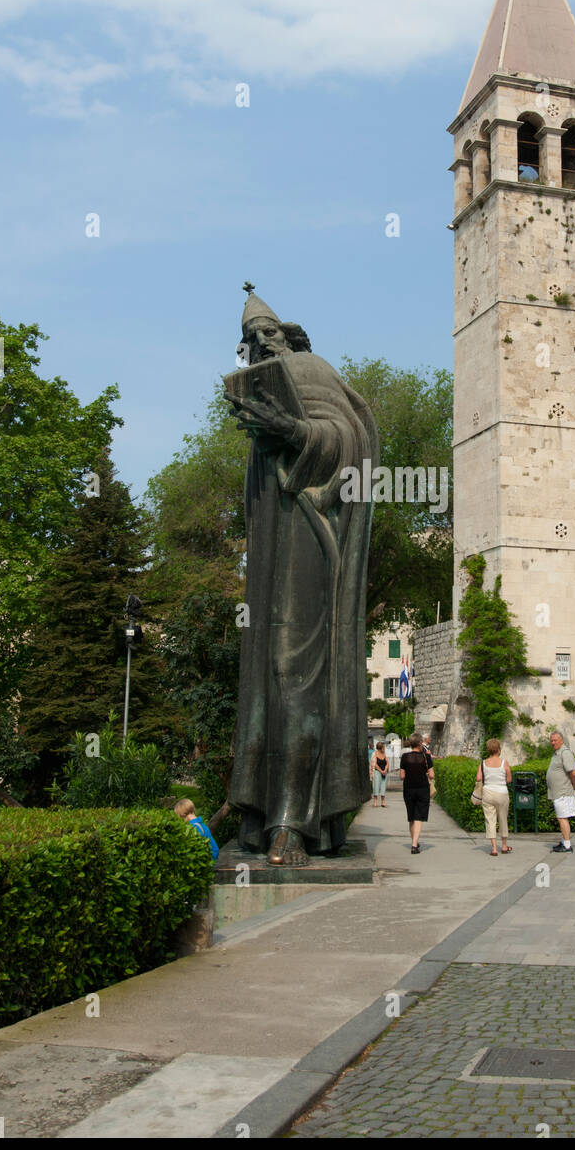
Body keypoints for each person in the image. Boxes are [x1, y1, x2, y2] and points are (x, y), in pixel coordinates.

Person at [225, 285, 379, 867]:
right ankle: (260, 811)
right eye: (252, 341)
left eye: (271, 335)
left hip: (312, 535)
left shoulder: (310, 369)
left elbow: (351, 441)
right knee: (265, 675)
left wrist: (293, 435)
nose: (262, 343)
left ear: (291, 338)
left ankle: (293, 820)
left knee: (296, 671)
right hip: (271, 551)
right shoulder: (263, 390)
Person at [475, 739, 512, 856]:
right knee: (503, 819)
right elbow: (509, 779)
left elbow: (478, 778)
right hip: (502, 792)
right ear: (499, 750)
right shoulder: (504, 763)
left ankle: (494, 848)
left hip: (488, 792)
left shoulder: (483, 763)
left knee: (490, 820)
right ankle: (504, 845)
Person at [399, 731, 434, 854]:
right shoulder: (426, 757)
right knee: (419, 817)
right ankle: (414, 845)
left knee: (411, 817)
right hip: (422, 789)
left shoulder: (405, 757)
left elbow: (402, 776)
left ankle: (414, 840)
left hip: (408, 788)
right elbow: (432, 775)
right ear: (420, 743)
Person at [547, 730, 575, 853]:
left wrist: (574, 787)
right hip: (558, 792)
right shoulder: (557, 753)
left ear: (562, 740)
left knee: (562, 818)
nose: (553, 742)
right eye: (551, 740)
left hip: (563, 792)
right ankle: (565, 842)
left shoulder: (565, 753)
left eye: (555, 740)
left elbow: (573, 773)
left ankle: (567, 845)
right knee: (562, 817)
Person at [371, 739, 389, 807]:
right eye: (383, 747)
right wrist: (381, 771)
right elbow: (374, 764)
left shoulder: (384, 754)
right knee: (376, 786)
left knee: (383, 786)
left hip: (384, 773)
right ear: (380, 747)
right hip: (377, 772)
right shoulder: (374, 754)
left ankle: (383, 802)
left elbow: (387, 762)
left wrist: (385, 769)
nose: (384, 748)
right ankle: (375, 801)